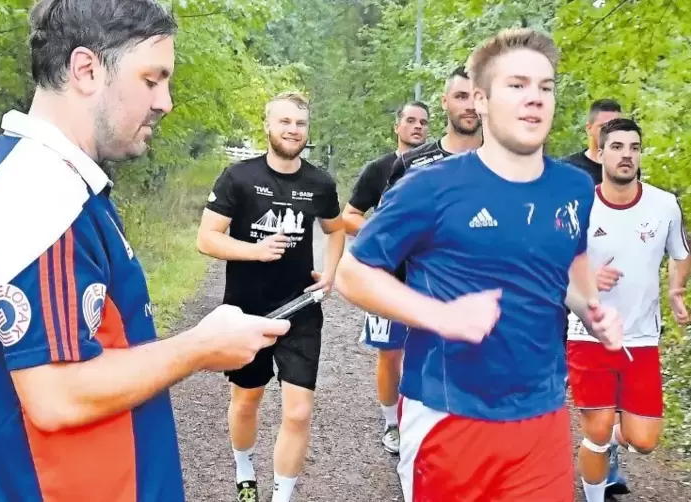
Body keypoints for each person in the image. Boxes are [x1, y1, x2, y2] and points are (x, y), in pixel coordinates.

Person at [0, 2, 291, 501]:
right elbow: (56, 396)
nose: (165, 101)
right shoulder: (42, 191)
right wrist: (198, 347)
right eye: (152, 79)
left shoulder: (10, 169)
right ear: (86, 70)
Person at [334, 27, 624, 501]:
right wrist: (441, 316)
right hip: (450, 416)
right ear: (482, 101)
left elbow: (568, 263)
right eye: (517, 85)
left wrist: (591, 308)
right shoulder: (430, 186)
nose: (535, 98)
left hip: (542, 416)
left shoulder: (573, 189)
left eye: (544, 87)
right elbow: (353, 272)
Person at [197, 92, 345, 502]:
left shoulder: (320, 183)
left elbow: (337, 231)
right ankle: (245, 471)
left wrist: (330, 274)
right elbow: (206, 239)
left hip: (301, 309)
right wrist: (254, 251)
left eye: (299, 123)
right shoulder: (238, 178)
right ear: (267, 125)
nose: (292, 130)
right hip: (247, 311)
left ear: (307, 130)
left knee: (298, 412)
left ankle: (282, 496)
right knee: (247, 402)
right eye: (284, 122)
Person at [567, 117, 690, 502]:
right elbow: (554, 266)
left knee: (645, 440)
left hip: (642, 338)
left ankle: (609, 442)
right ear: (600, 152)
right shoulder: (580, 207)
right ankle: (593, 492)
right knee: (598, 429)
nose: (626, 155)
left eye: (634, 148)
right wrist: (587, 279)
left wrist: (676, 290)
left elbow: (680, 253)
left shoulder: (664, 205)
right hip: (589, 333)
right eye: (617, 147)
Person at [340, 100, 429, 455]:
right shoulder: (379, 169)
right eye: (410, 120)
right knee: (390, 354)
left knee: (427, 352)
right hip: (385, 279)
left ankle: (423, 421)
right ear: (397, 126)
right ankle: (392, 424)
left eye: (423, 122)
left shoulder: (440, 167)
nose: (417, 127)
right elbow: (349, 216)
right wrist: (387, 239)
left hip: (429, 279)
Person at [384, 66, 483, 191]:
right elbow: (386, 210)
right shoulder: (411, 164)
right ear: (444, 102)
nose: (471, 106)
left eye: (478, 97)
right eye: (461, 97)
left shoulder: (508, 161)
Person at [563, 99, 625, 184]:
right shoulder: (568, 169)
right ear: (589, 128)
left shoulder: (627, 168)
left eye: (617, 126)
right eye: (604, 126)